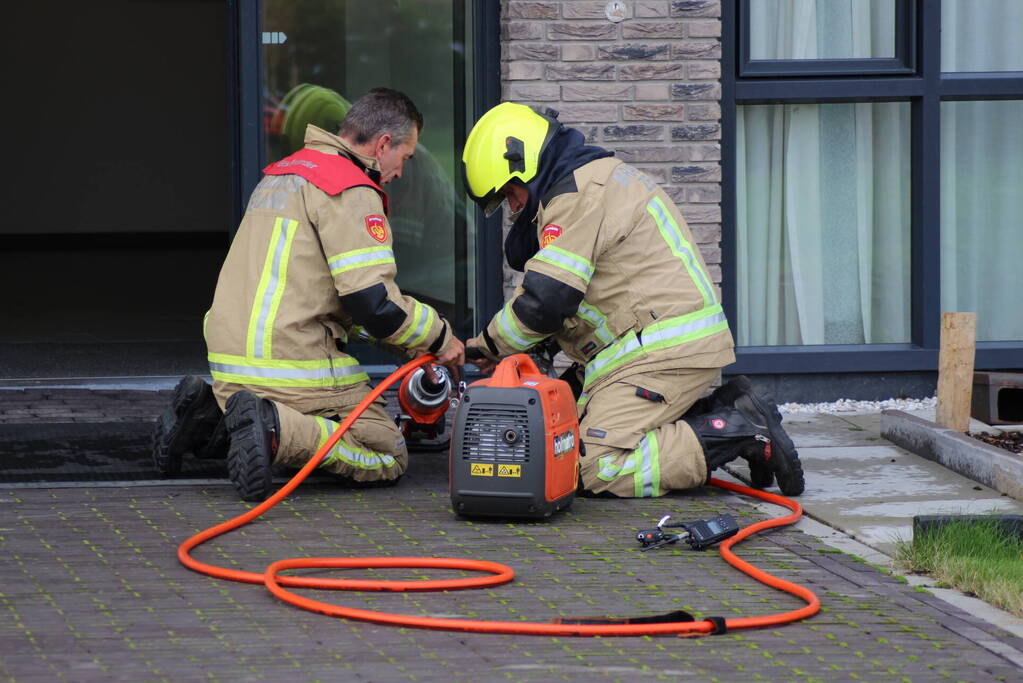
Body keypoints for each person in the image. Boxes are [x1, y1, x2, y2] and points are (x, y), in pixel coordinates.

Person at [460, 102, 804, 498]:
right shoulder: (586, 182)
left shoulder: (576, 194)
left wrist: (487, 347)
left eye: (510, 193)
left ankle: (740, 432)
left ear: (524, 161)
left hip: (659, 354)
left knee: (590, 464)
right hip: (646, 351)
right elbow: (577, 296)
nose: (514, 207)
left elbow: (548, 299)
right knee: (561, 435)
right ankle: (726, 411)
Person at [153, 88, 464, 501]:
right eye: (405, 158)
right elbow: (374, 303)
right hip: (290, 364)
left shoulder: (283, 174)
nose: (402, 172)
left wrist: (406, 350)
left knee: (274, 413)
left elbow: (327, 296)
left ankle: (210, 418)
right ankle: (273, 427)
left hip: (231, 362)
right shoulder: (350, 189)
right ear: (383, 144)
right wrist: (440, 338)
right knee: (386, 453)